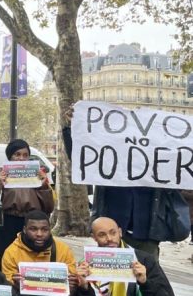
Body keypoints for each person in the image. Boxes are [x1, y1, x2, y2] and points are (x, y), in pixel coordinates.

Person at [61, 109, 188, 258]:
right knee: (110, 276)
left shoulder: (157, 167)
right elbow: (81, 155)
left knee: (146, 276)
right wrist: (72, 126)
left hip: (147, 235)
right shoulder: (110, 163)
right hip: (111, 232)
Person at [0, 139, 54, 258]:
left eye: (25, 155)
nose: (21, 158)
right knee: (4, 255)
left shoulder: (37, 174)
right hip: (7, 222)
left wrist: (44, 185)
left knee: (30, 255)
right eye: (17, 154)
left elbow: (49, 206)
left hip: (31, 222)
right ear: (10, 156)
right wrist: (0, 185)